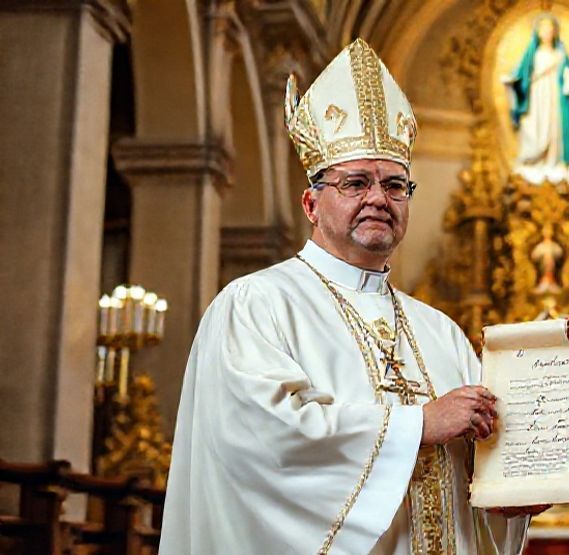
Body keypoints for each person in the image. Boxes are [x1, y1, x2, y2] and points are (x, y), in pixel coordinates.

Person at [159, 39, 544, 555]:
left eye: (395, 185)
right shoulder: (255, 305)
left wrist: (510, 494)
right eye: (356, 183)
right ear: (311, 203)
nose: (378, 199)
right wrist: (418, 424)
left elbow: (482, 467)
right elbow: (262, 443)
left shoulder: (441, 331)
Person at [503, 13, 569, 185]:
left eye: (550, 28)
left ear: (555, 32)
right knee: (535, 128)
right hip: (536, 98)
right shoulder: (532, 55)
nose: (547, 31)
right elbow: (521, 75)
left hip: (556, 99)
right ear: (538, 32)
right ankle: (534, 161)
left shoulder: (561, 55)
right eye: (543, 28)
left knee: (555, 128)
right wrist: (512, 83)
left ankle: (555, 161)